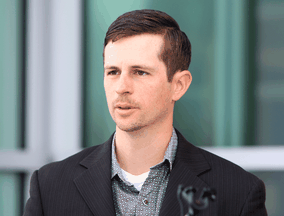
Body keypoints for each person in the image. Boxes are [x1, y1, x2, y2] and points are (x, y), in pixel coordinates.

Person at [23, 9, 267, 216]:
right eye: (113, 72)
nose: (121, 87)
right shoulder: (50, 187)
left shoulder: (237, 193)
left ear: (179, 85)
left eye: (140, 72)